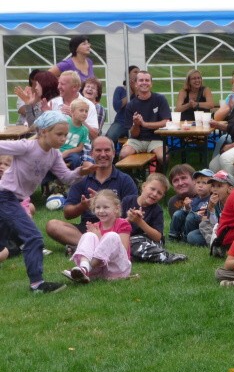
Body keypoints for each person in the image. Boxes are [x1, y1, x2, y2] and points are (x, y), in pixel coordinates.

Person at [0, 112, 95, 293]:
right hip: (5, 196)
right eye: (59, 134)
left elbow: (66, 178)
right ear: (43, 132)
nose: (63, 138)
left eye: (65, 135)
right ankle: (37, 285)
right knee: (33, 238)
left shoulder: (53, 155)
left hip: (15, 199)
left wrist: (81, 172)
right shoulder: (26, 146)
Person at [45, 136, 138, 249]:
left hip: (115, 229)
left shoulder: (125, 180)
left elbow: (133, 213)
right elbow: (67, 213)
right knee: (52, 225)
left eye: (107, 150)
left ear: (114, 153)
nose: (103, 154)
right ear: (91, 153)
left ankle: (89, 247)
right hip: (88, 228)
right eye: (98, 150)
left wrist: (108, 205)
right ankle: (97, 246)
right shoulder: (81, 179)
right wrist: (83, 206)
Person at [62, 190, 131, 284]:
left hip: (117, 267)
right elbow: (90, 249)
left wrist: (100, 237)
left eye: (106, 207)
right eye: (98, 207)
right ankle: (84, 267)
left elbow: (123, 248)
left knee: (112, 236)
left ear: (116, 208)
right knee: (88, 235)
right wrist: (94, 236)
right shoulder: (95, 226)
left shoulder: (122, 223)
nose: (101, 211)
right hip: (98, 269)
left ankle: (86, 269)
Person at [121, 173, 186, 264]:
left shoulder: (157, 210)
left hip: (150, 241)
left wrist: (140, 222)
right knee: (125, 242)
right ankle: (137, 255)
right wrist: (128, 219)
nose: (155, 194)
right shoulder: (127, 201)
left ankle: (165, 256)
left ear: (162, 196)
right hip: (128, 239)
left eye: (159, 193)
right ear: (143, 186)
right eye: (152, 189)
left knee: (133, 242)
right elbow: (116, 225)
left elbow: (157, 237)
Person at [120, 70, 170, 166]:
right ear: (136, 84)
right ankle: (134, 178)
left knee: (163, 157)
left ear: (151, 84)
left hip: (156, 138)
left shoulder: (160, 99)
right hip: (137, 140)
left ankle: (160, 177)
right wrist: (136, 124)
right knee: (123, 155)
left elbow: (166, 122)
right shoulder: (131, 105)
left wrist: (144, 124)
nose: (144, 83)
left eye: (147, 80)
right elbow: (134, 134)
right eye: (141, 80)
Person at [50, 71, 99, 140]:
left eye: (62, 84)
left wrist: (76, 117)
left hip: (79, 148)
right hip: (56, 147)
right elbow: (41, 132)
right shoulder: (53, 103)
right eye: (59, 83)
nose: (58, 87)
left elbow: (94, 136)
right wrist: (47, 116)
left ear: (74, 87)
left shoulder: (88, 105)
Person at [169, 169, 213, 244]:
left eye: (204, 183)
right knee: (178, 213)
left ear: (212, 187)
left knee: (191, 216)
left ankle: (185, 239)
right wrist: (187, 207)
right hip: (190, 224)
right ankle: (173, 236)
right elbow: (187, 212)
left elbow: (212, 217)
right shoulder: (194, 199)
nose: (200, 185)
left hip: (202, 226)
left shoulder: (211, 199)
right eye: (198, 182)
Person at [196, 170, 234, 251]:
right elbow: (213, 223)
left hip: (232, 230)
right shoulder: (216, 202)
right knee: (193, 235)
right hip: (218, 230)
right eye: (213, 186)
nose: (214, 189)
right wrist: (211, 208)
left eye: (219, 186)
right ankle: (217, 243)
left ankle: (219, 244)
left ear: (230, 189)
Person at [106, 65, 139, 145]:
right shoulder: (119, 89)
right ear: (128, 75)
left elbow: (140, 105)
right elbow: (117, 107)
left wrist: (136, 91)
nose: (138, 74)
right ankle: (112, 155)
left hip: (135, 124)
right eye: (135, 72)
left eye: (139, 72)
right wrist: (130, 92)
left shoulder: (141, 91)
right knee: (109, 137)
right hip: (121, 122)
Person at [60, 98, 91, 169]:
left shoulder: (84, 130)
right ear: (72, 112)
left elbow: (80, 147)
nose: (84, 113)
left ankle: (74, 178)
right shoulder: (65, 123)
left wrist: (67, 152)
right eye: (81, 110)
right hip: (58, 150)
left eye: (86, 111)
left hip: (71, 153)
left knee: (76, 159)